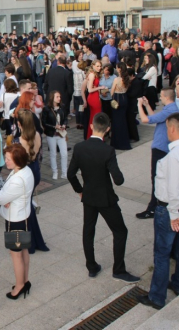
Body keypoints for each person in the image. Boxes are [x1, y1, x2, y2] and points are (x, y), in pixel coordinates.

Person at [137, 113, 179, 310]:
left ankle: (157, 297)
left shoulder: (175, 155)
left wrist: (173, 215)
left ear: (173, 129)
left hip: (170, 210)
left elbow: (174, 188)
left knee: (162, 253)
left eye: (167, 129)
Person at [67, 113, 140, 283]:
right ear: (108, 129)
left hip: (89, 197)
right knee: (120, 231)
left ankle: (92, 267)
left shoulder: (79, 147)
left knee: (88, 231)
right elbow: (119, 180)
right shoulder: (108, 150)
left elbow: (71, 174)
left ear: (91, 126)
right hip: (106, 199)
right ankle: (119, 270)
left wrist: (80, 190)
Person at [0, 144, 34, 299]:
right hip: (23, 215)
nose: (6, 161)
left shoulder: (17, 179)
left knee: (16, 254)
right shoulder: (26, 170)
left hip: (15, 219)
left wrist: (5, 197)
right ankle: (24, 280)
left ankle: (19, 286)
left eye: (8, 159)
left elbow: (0, 198)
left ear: (17, 160)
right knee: (23, 250)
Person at [136, 88, 179, 219]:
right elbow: (154, 118)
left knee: (156, 178)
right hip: (162, 147)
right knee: (157, 178)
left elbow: (145, 120)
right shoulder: (170, 109)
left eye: (161, 96)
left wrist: (139, 105)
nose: (160, 98)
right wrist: (147, 105)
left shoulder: (170, 111)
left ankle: (153, 208)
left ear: (166, 97)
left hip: (161, 149)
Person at [17, 110, 49, 254]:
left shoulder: (21, 139)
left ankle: (31, 243)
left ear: (20, 124)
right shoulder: (37, 135)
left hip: (25, 173)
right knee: (28, 205)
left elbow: (19, 164)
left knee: (25, 208)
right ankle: (36, 241)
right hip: (34, 170)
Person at [42, 91, 68, 180]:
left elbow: (65, 118)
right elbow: (44, 123)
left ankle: (64, 172)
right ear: (52, 97)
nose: (59, 98)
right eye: (57, 97)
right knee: (53, 154)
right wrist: (54, 126)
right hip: (51, 134)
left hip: (61, 134)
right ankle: (55, 172)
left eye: (59, 97)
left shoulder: (62, 107)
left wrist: (64, 125)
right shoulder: (47, 109)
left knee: (64, 153)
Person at [110, 63, 132, 150]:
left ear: (119, 69)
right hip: (124, 99)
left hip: (117, 99)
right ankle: (124, 141)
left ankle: (117, 142)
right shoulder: (127, 78)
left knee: (116, 121)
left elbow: (112, 91)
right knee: (123, 120)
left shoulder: (117, 79)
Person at [85, 60, 104, 139]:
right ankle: (96, 137)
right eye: (97, 66)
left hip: (95, 96)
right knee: (97, 118)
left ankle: (92, 136)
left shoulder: (94, 74)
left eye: (100, 66)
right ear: (93, 66)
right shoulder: (92, 75)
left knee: (94, 117)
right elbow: (89, 90)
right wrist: (99, 87)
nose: (99, 68)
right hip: (93, 97)